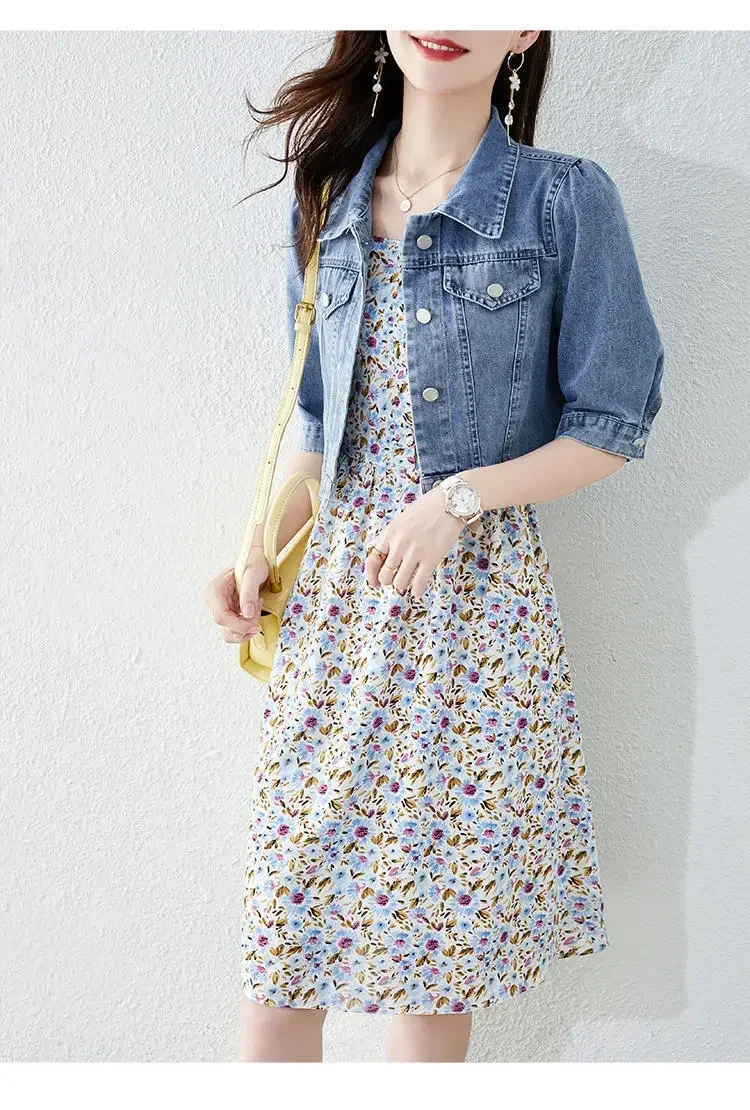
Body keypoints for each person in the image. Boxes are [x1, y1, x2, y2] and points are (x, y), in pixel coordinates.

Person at [203, 29, 665, 1063]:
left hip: (475, 616)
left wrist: (457, 501)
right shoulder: (329, 198)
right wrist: (259, 550)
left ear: (527, 26)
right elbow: (321, 425)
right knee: (280, 964)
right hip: (336, 617)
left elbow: (612, 422)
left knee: (434, 966)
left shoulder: (563, 200)